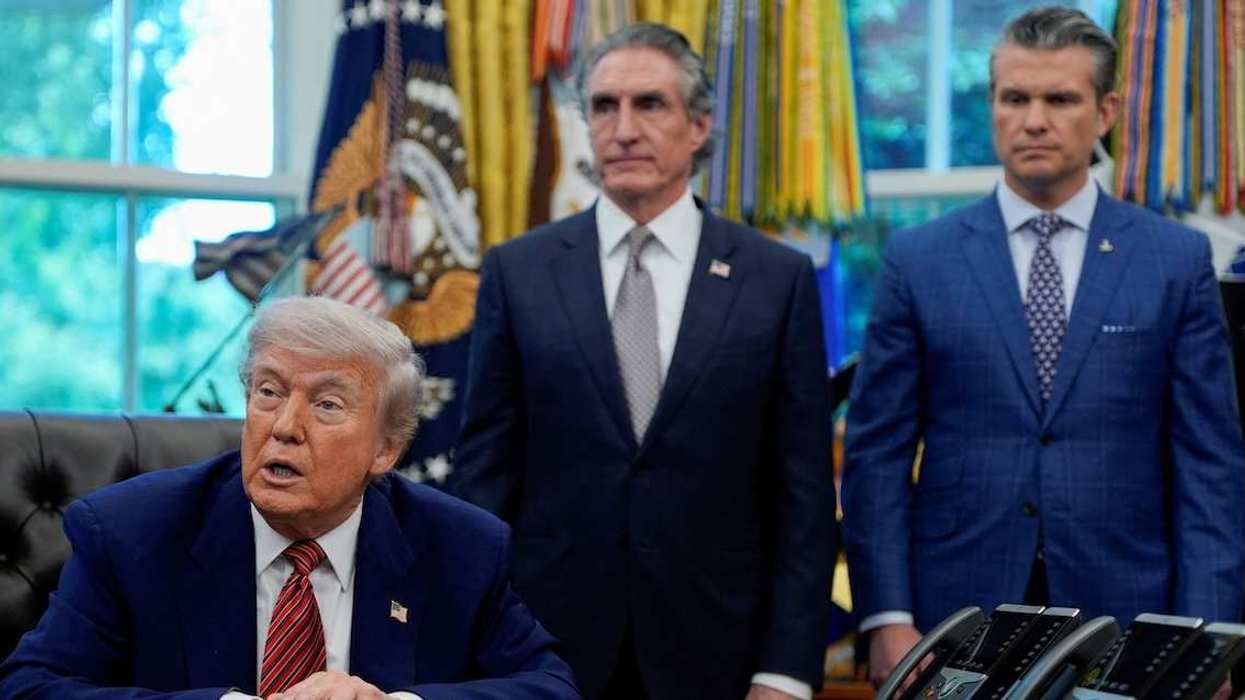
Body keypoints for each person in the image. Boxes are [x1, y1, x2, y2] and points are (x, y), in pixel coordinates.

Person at [841, 5, 1245, 687]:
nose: (1033, 119)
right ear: (992, 105)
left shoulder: (1172, 261)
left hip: (1128, 617)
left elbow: (1209, 468)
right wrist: (885, 615)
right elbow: (875, 455)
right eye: (1013, 97)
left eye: (1059, 98)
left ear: (1105, 111)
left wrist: (1207, 635)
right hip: (953, 621)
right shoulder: (919, 260)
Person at [449, 22, 835, 700]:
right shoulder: (519, 272)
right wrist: (473, 648)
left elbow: (800, 498)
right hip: (544, 657)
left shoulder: (777, 279)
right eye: (604, 106)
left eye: (649, 104)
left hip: (720, 654)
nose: (623, 128)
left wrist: (785, 670)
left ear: (699, 125)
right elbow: (485, 480)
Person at [0, 296, 580, 700]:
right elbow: (32, 687)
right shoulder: (130, 533)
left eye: (327, 405)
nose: (284, 426)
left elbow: (551, 688)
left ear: (386, 449)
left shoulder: (460, 547)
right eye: (268, 391)